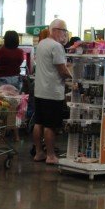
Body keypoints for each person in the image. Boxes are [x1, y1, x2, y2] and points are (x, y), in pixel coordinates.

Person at [32, 18, 72, 165]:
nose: (65, 34)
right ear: (55, 30)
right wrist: (73, 78)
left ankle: (39, 152)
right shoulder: (56, 47)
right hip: (52, 92)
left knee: (39, 123)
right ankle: (50, 155)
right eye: (64, 31)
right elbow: (62, 69)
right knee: (50, 125)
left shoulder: (41, 43)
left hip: (40, 91)